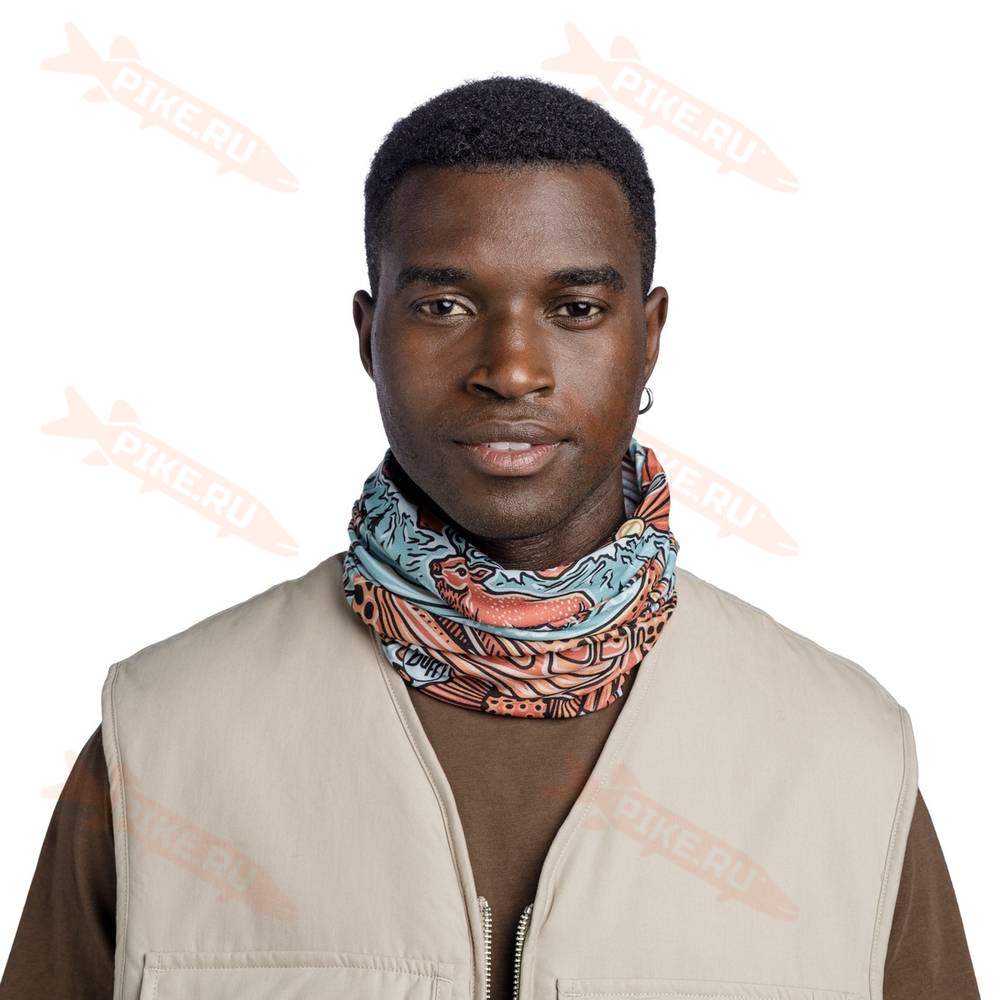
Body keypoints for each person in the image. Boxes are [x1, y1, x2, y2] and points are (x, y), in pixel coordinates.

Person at [0, 76, 979, 1000]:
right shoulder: (166, 735)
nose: (511, 369)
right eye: (444, 306)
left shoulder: (843, 754)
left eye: (576, 309)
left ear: (648, 336)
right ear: (368, 335)